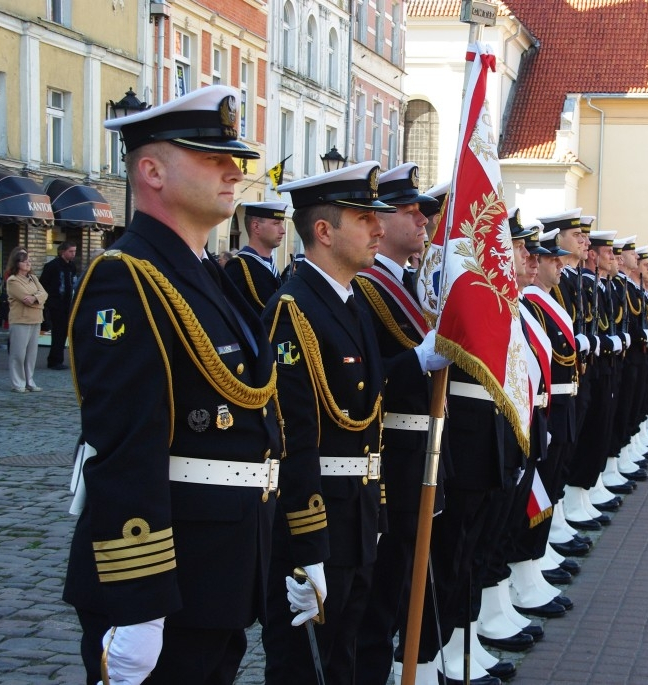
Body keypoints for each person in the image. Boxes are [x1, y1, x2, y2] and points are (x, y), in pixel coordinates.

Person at [63, 85, 281, 685]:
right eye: (212, 158)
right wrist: (139, 606)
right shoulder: (126, 279)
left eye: (233, 158)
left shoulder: (209, 273)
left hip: (220, 572)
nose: (233, 172)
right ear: (152, 171)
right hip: (167, 580)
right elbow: (125, 450)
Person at [261, 161, 401, 685]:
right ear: (323, 231)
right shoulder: (294, 310)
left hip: (358, 515)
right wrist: (308, 547)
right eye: (364, 217)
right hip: (319, 522)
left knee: (345, 655)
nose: (379, 228)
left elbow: (369, 424)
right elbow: (293, 440)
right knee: (306, 668)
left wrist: (377, 513)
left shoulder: (352, 303)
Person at [352, 162, 453, 685]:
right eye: (410, 210)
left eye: (423, 211)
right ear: (380, 220)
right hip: (391, 455)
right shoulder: (366, 290)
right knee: (380, 589)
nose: (422, 221)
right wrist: (418, 361)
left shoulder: (412, 285)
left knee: (404, 582)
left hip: (423, 451)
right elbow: (363, 384)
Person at [225, 201, 288, 316]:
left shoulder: (271, 267)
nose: (282, 231)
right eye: (276, 223)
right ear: (256, 227)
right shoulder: (239, 266)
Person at [4, 247, 47, 393]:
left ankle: (30, 381)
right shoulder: (13, 280)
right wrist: (37, 298)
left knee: (31, 354)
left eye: (29, 260)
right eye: (25, 261)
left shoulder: (33, 278)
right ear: (17, 263)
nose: (28, 263)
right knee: (18, 354)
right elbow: (24, 298)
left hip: (36, 319)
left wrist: (35, 297)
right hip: (20, 320)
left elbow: (44, 294)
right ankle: (18, 383)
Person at [40, 240, 78, 369]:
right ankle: (54, 360)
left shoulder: (72, 266)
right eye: (70, 251)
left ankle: (58, 359)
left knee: (64, 333)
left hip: (68, 303)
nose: (73, 254)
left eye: (74, 251)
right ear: (63, 252)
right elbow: (43, 284)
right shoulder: (52, 266)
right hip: (55, 304)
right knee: (58, 332)